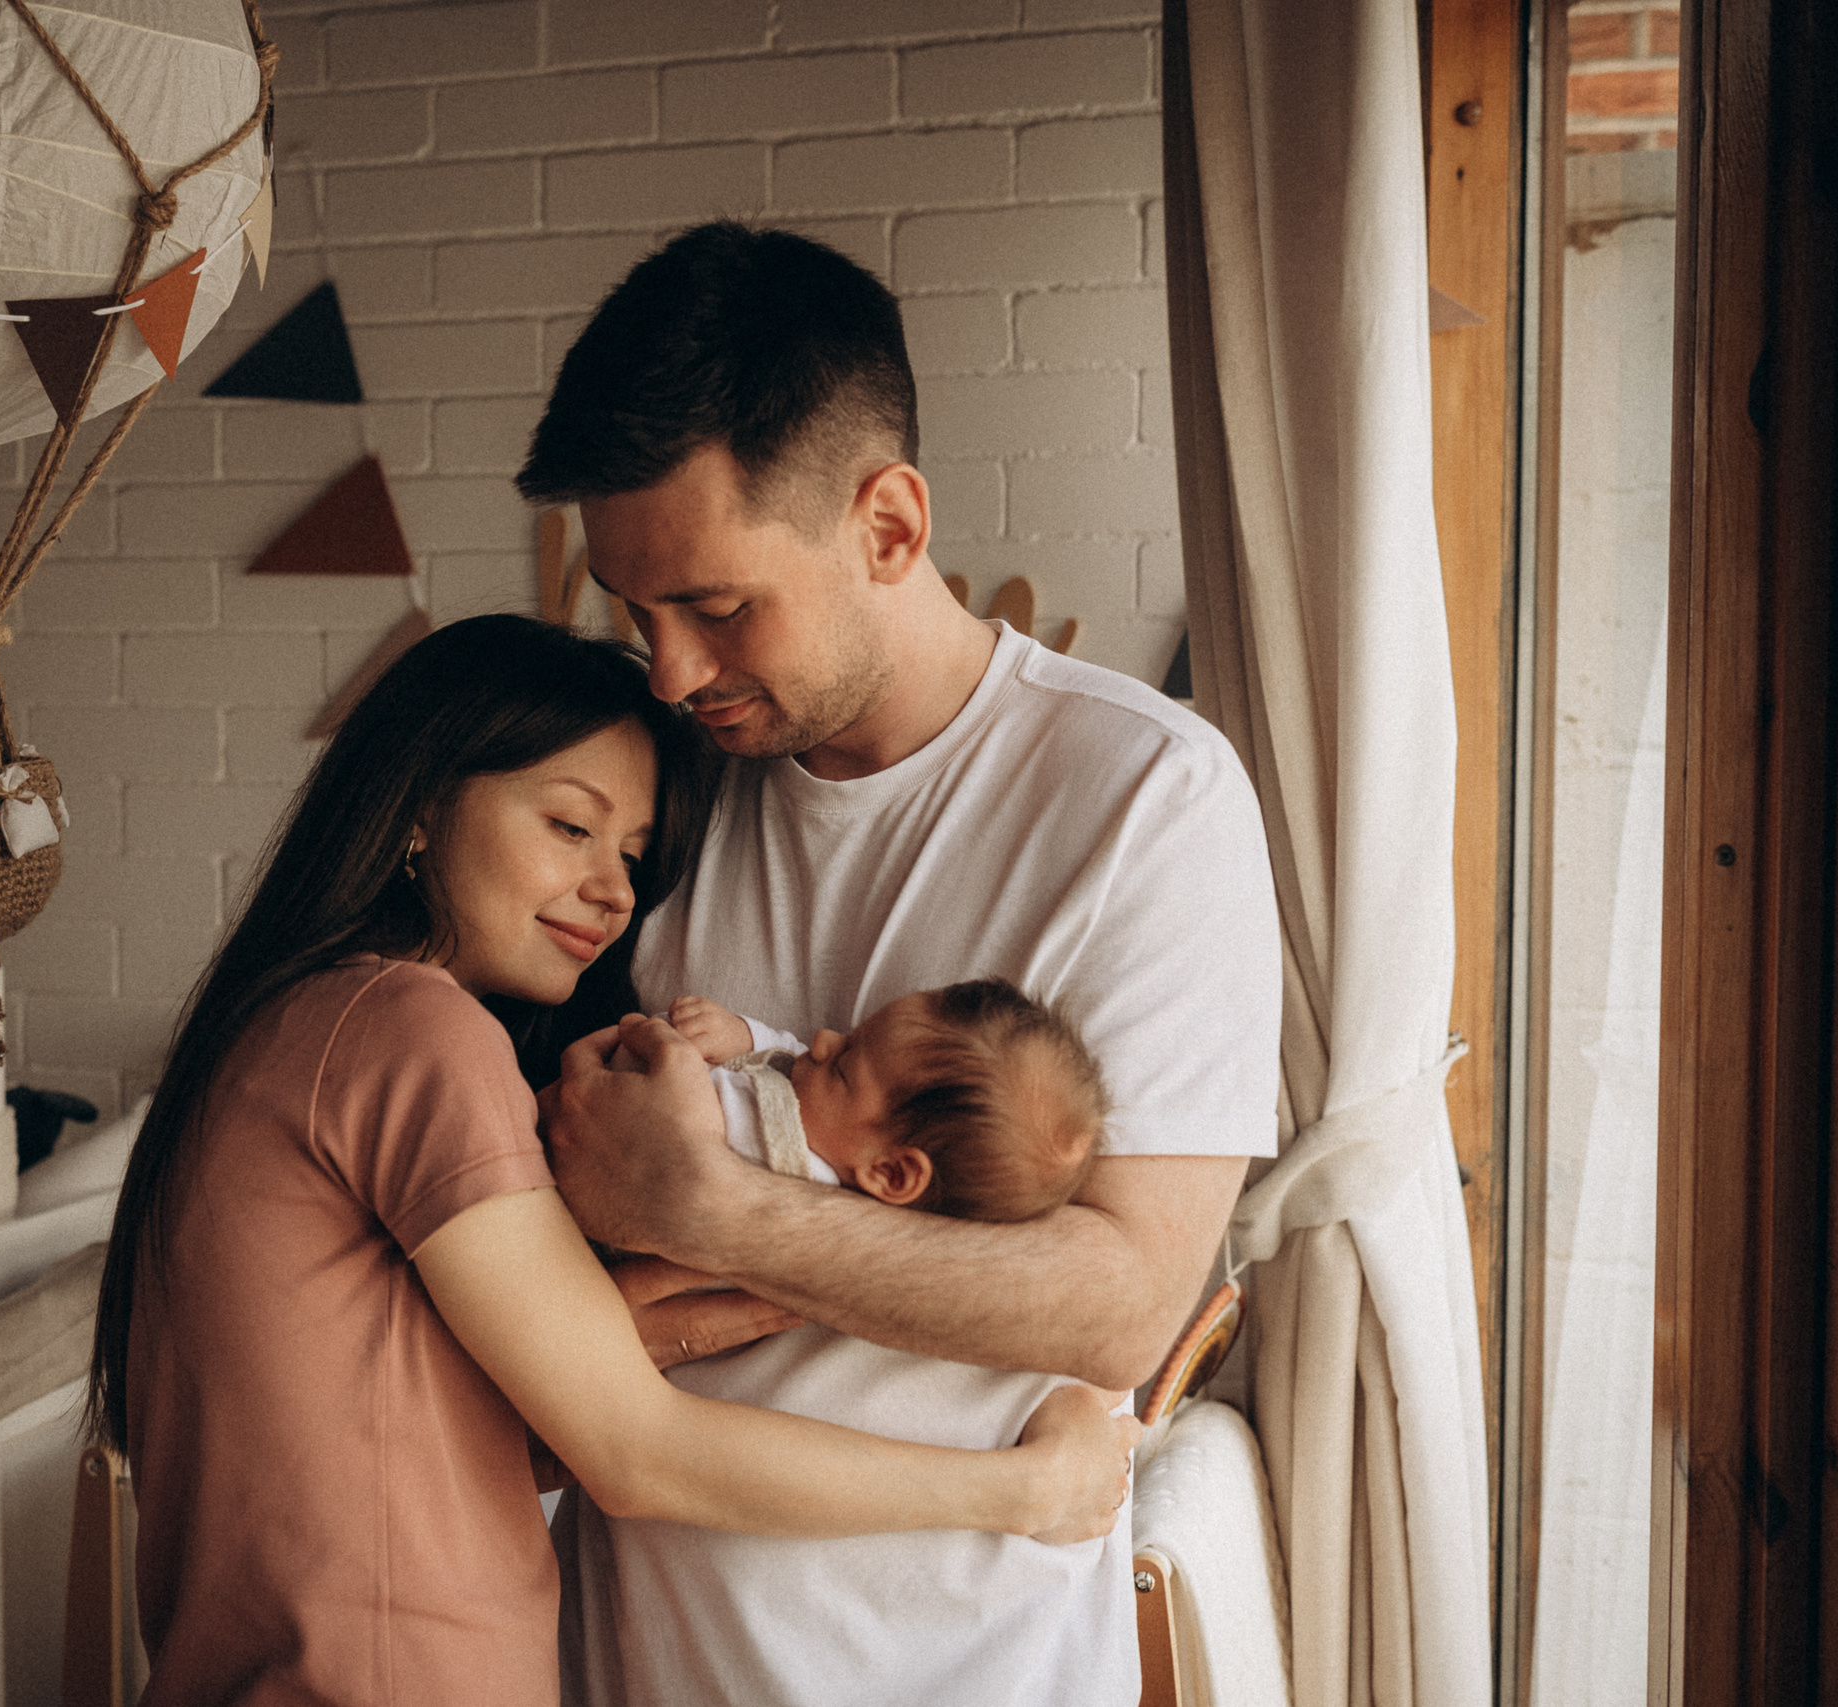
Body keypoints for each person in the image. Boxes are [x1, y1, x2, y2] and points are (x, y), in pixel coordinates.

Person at [84, 614, 1141, 1706]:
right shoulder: (409, 1031)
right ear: (416, 809)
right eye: (569, 827)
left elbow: (397, 1447)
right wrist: (1021, 1490)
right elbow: (638, 1458)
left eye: (634, 856)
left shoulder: (291, 1022)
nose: (613, 891)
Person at [518, 224, 1285, 1704]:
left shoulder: (1144, 800)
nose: (670, 670)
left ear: (886, 524)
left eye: (720, 605)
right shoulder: (655, 789)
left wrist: (711, 1206)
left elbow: (1118, 1300)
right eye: (634, 609)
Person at [664, 980, 1105, 1220]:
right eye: (850, 1037)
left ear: (889, 1171)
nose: (822, 1041)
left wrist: (675, 1068)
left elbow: (682, 1137)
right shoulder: (828, 1121)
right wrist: (743, 1036)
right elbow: (788, 1058)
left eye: (842, 1068)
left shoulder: (789, 1181)